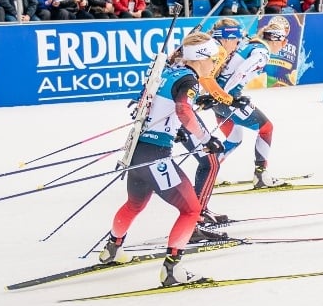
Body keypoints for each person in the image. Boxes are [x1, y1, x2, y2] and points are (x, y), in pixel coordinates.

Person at [96, 32, 228, 287]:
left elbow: (161, 108)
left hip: (137, 152)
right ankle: (172, 270)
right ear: (201, 59)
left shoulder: (170, 73)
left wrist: (173, 130)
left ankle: (113, 247)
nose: (214, 64)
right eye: (212, 59)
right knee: (191, 210)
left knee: (134, 204)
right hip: (155, 155)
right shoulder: (189, 80)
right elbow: (183, 110)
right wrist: (204, 140)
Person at [194, 18, 280, 210]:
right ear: (276, 40)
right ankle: (261, 175)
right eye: (283, 42)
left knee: (234, 138)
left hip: (218, 96)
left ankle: (210, 171)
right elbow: (240, 72)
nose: (283, 47)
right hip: (227, 97)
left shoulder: (250, 44)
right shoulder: (261, 52)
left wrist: (215, 96)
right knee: (266, 128)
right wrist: (226, 97)